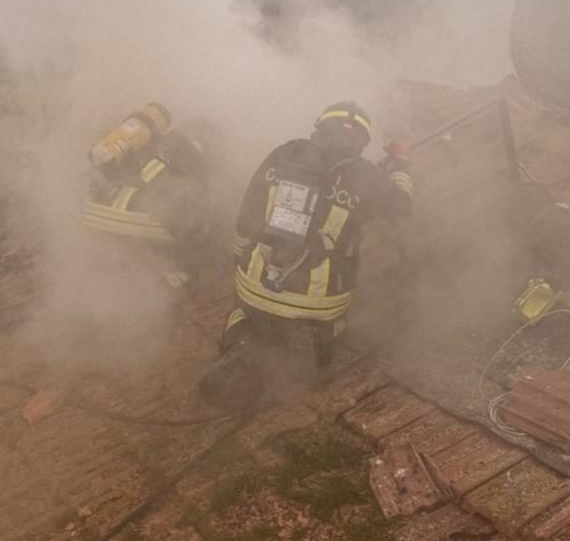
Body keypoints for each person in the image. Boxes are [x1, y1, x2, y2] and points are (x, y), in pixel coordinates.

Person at [200, 101, 413, 405]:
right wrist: (401, 161)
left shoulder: (283, 155)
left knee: (243, 311)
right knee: (333, 327)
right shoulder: (365, 175)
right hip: (319, 301)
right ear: (362, 142)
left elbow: (249, 210)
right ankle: (315, 341)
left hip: (256, 286)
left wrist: (241, 260)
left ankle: (242, 341)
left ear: (319, 129)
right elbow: (402, 203)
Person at [83, 102, 216, 288]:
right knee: (200, 221)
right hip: (138, 220)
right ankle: (174, 270)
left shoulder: (154, 140)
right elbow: (198, 197)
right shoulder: (191, 151)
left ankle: (109, 261)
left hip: (99, 213)